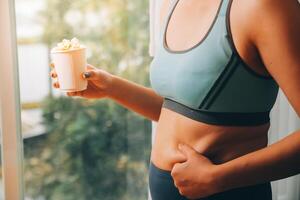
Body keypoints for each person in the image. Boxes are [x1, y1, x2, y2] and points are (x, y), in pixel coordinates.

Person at [50, 0, 300, 199]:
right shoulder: (172, 5)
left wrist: (218, 178)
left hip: (230, 192)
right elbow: (183, 111)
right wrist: (111, 87)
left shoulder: (267, 6)